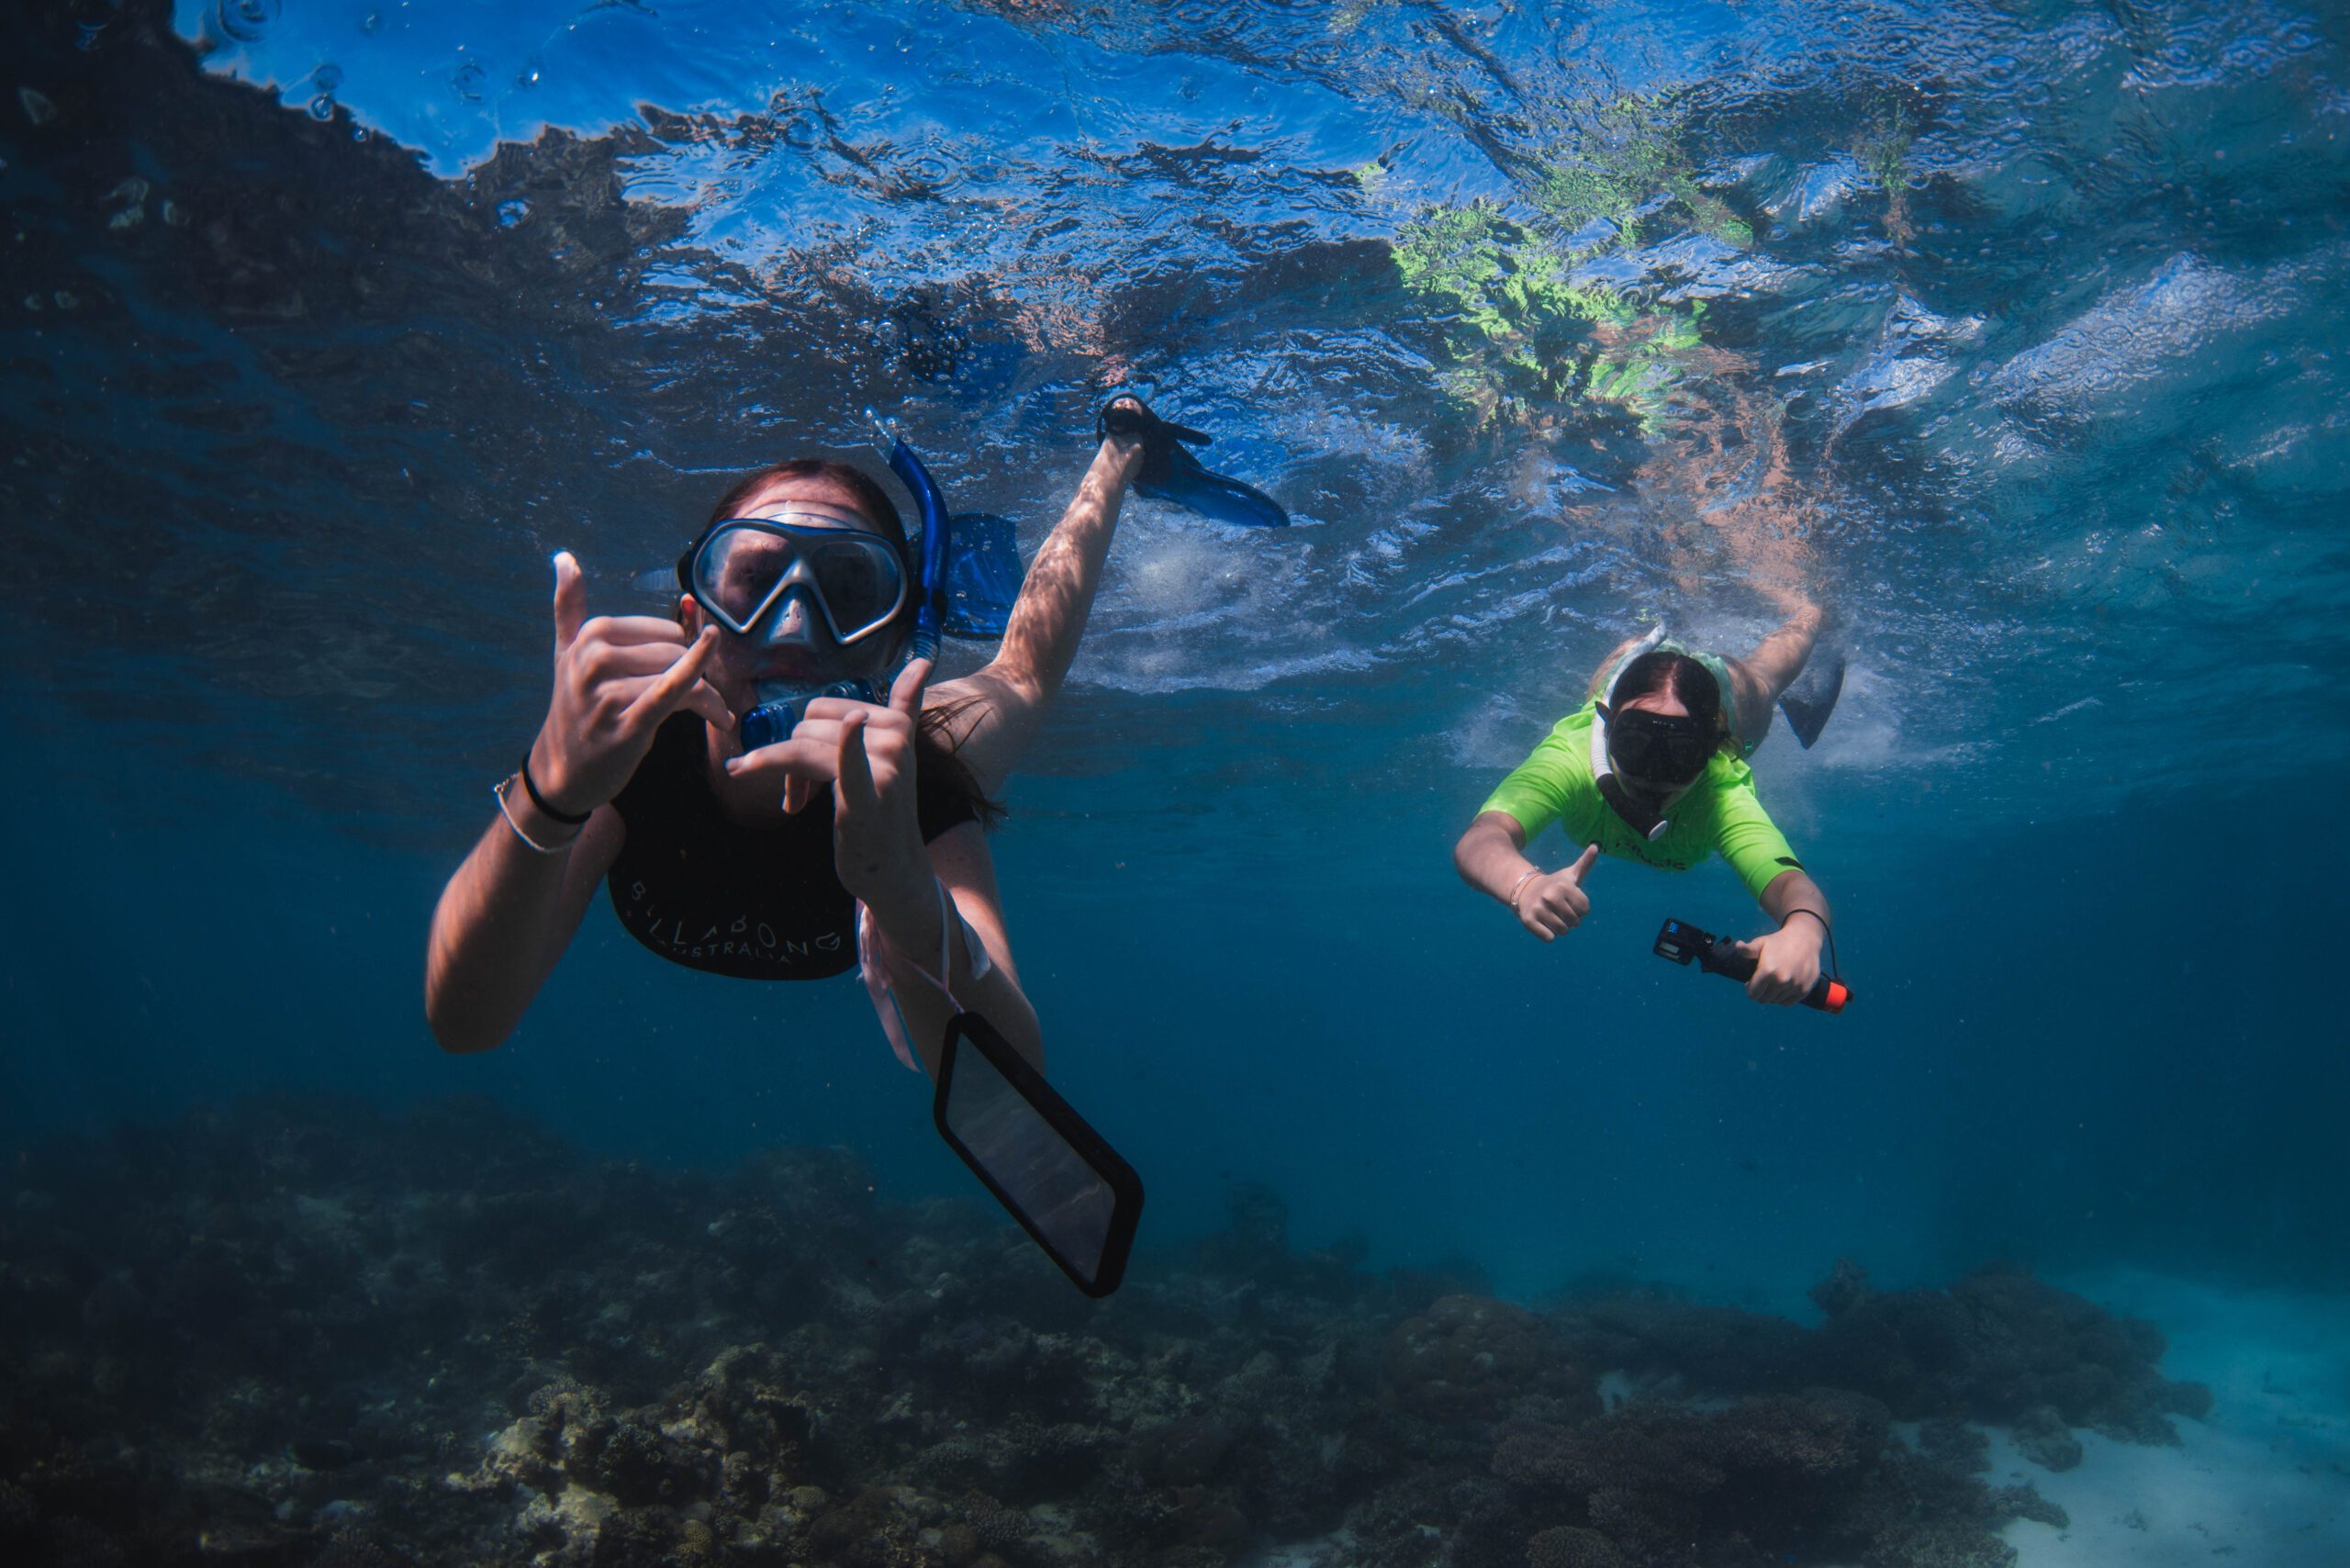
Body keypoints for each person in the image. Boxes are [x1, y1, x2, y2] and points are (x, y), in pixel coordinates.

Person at [426, 398, 1270, 1070]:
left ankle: (1123, 449)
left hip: (893, 762)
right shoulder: (626, 755)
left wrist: (908, 893)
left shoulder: (918, 775)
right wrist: (549, 794)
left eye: (850, 589)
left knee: (1020, 678)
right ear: (692, 620)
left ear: (897, 642)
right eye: (754, 580)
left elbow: (1008, 1081)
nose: (795, 628)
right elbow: (464, 1025)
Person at [1452, 606, 1839, 1005]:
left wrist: (1803, 932)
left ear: (1712, 749)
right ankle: (1669, 611)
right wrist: (1524, 884)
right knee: (1650, 647)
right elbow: (1482, 838)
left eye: (1681, 752)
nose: (1653, 774)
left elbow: (1792, 885)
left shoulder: (1719, 794)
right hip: (1633, 673)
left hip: (1726, 697)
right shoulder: (1573, 759)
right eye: (1635, 744)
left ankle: (1814, 612)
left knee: (1761, 681)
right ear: (1608, 730)